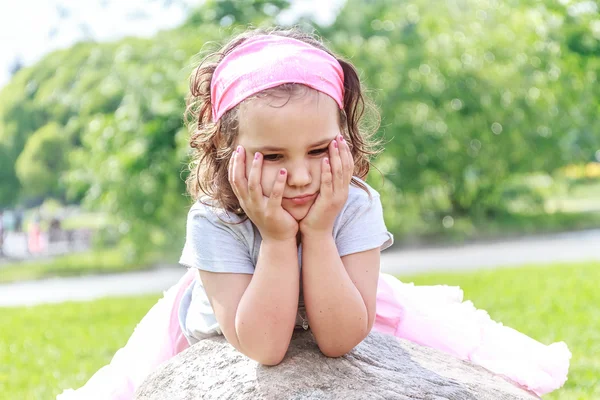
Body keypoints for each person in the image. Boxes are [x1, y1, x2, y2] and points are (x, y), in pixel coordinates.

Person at [57, 28, 570, 399]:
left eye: (319, 150)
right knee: (121, 386)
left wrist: (319, 232)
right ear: (226, 153)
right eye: (273, 157)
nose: (300, 177)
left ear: (344, 140)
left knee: (469, 351)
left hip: (343, 289)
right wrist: (279, 241)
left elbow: (341, 338)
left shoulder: (356, 205)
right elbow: (264, 347)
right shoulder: (215, 220)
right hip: (232, 308)